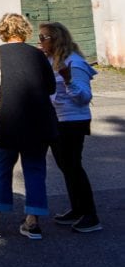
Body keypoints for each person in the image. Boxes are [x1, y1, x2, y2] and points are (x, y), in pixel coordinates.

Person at [0, 13, 58, 240]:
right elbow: (51, 87)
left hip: (8, 121)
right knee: (34, 169)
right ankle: (32, 222)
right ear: (25, 31)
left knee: (0, 168)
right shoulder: (37, 54)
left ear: (2, 31)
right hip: (38, 121)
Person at [39, 21, 101, 233]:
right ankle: (77, 209)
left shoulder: (75, 63)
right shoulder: (50, 60)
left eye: (43, 38)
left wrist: (67, 80)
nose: (40, 42)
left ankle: (90, 215)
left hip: (73, 121)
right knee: (66, 166)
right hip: (57, 120)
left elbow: (84, 97)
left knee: (74, 167)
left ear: (55, 39)